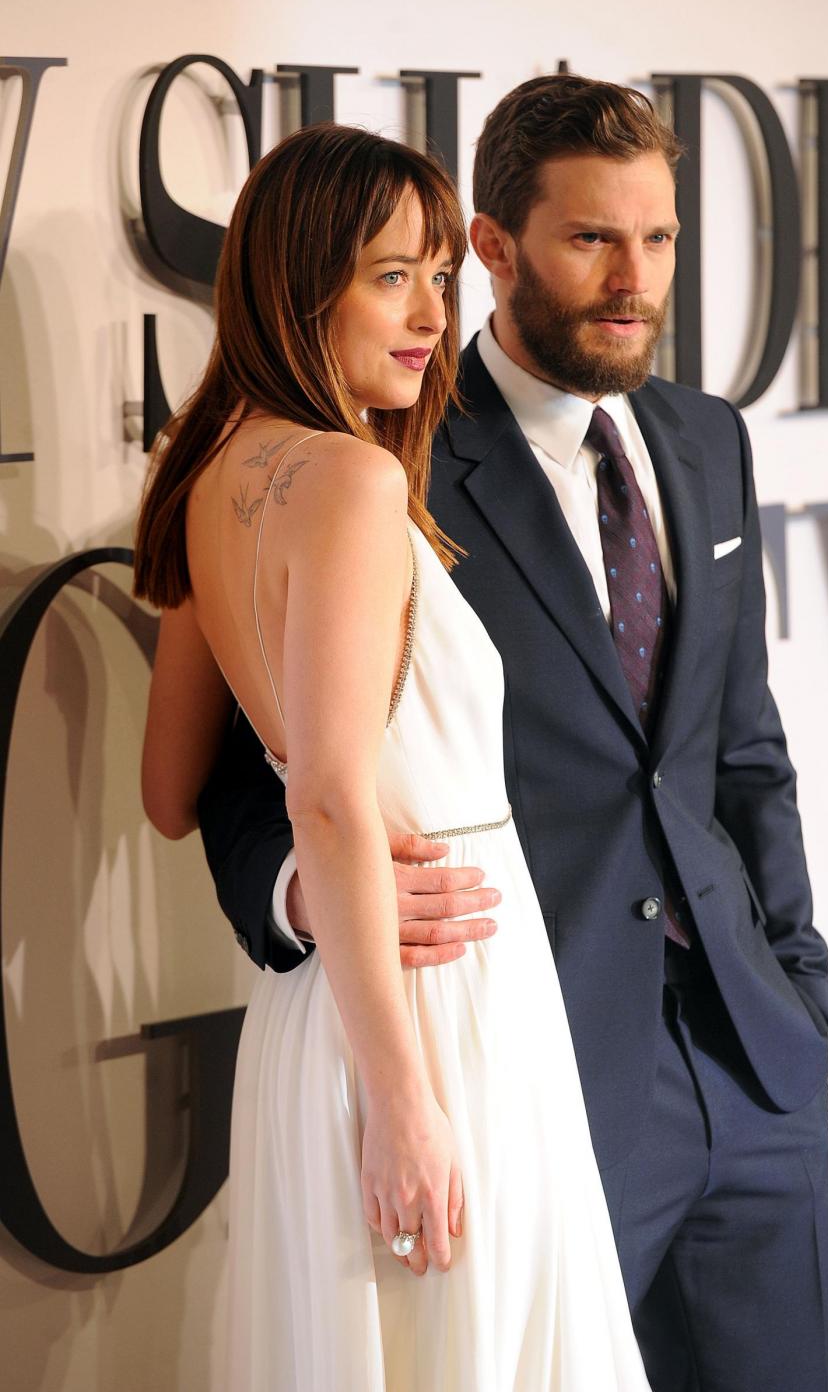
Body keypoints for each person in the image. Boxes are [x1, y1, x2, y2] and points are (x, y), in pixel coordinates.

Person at [197, 76, 828, 1392]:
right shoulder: (386, 448)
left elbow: (743, 751)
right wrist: (300, 891)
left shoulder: (707, 440)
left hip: (752, 1065)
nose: (634, 279)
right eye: (592, 238)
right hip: (531, 1065)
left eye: (657, 238)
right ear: (496, 245)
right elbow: (245, 771)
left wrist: (799, 984)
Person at [134, 123, 650, 1390]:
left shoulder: (199, 473)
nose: (432, 316)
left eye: (440, 275)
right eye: (391, 277)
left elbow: (168, 789)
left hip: (325, 1016)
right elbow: (325, 791)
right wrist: (406, 1103)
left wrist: (313, 888)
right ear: (300, 284)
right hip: (431, 1018)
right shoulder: (351, 482)